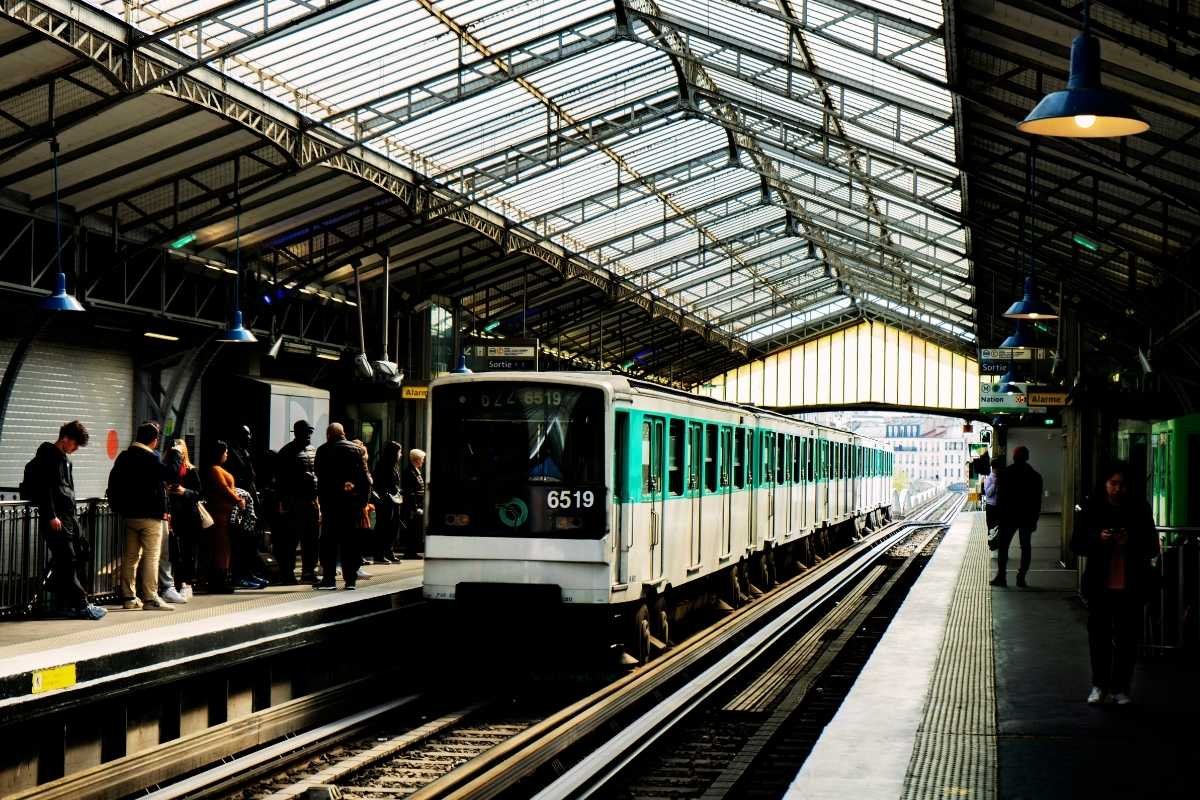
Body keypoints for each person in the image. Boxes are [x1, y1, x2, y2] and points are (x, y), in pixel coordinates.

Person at [1071, 462, 1159, 706]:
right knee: (1099, 638)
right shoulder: (1092, 509)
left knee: (1127, 639)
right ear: (1105, 484)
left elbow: (1152, 546)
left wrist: (1130, 540)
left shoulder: (1139, 509)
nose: (1118, 489)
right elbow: (1076, 544)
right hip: (1101, 585)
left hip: (1131, 586)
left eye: (1122, 485)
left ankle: (1121, 687)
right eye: (1113, 484)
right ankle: (1099, 685)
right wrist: (1098, 539)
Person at [26, 421, 106, 619]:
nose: (76, 449)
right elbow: (46, 489)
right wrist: (51, 515)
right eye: (75, 444)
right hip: (58, 518)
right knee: (67, 560)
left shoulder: (64, 460)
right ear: (65, 439)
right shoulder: (49, 456)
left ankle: (62, 594)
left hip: (68, 517)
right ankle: (80, 604)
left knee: (81, 551)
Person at [107, 421, 184, 610]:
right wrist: (175, 453)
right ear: (154, 441)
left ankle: (128, 597)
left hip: (129, 515)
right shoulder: (151, 457)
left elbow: (113, 482)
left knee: (131, 556)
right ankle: (151, 599)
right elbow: (171, 474)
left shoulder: (124, 457)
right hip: (150, 516)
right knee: (151, 555)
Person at [314, 424, 370, 590]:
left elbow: (319, 474)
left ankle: (329, 580)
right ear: (343, 433)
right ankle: (350, 580)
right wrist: (362, 503)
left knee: (329, 542)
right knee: (350, 542)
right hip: (351, 505)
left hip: (330, 504)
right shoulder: (357, 450)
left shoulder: (323, 450)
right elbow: (365, 479)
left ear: (329, 434)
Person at [276, 420, 320, 584]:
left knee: (311, 539)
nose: (308, 436)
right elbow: (280, 480)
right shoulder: (287, 452)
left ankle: (309, 572)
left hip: (311, 501)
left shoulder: (312, 450)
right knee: (291, 540)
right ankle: (288, 573)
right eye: (305, 432)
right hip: (294, 501)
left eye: (310, 432)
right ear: (297, 433)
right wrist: (284, 502)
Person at [991, 445, 1042, 588]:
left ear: (1014, 457)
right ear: (1027, 457)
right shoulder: (1035, 476)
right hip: (1026, 517)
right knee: (1025, 547)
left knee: (1003, 546)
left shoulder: (1006, 474)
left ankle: (1001, 577)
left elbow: (1000, 499)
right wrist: (1034, 520)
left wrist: (997, 517)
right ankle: (1021, 578)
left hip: (1008, 517)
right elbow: (1037, 501)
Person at [203, 440, 246, 593]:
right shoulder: (215, 470)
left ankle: (221, 579)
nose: (227, 454)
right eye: (225, 452)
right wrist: (238, 500)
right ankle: (218, 582)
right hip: (219, 514)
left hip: (225, 514)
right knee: (221, 548)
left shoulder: (217, 469)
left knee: (224, 548)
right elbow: (224, 488)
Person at [224, 425, 263, 583]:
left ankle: (248, 571)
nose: (249, 438)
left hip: (250, 499)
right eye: (246, 435)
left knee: (250, 539)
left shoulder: (244, 452)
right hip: (241, 501)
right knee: (241, 539)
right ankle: (240, 573)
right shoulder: (233, 453)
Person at [167, 439, 203, 596]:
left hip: (189, 516)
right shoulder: (167, 470)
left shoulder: (191, 471)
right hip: (173, 515)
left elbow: (199, 493)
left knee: (188, 552)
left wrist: (184, 491)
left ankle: (187, 583)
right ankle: (173, 583)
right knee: (174, 552)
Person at [371, 441, 403, 564]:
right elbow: (381, 483)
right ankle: (379, 554)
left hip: (393, 500)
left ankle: (388, 551)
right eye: (399, 452)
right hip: (386, 501)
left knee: (392, 527)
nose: (400, 455)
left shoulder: (393, 465)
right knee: (383, 527)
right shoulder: (383, 465)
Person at [401, 448, 426, 559]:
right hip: (412, 506)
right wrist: (415, 507)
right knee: (412, 529)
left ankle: (413, 550)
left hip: (417, 504)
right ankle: (410, 551)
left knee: (415, 528)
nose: (423, 461)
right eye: (422, 459)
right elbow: (410, 492)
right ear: (417, 459)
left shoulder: (415, 470)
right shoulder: (410, 472)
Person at [982, 458, 1003, 532]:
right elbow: (988, 494)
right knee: (991, 528)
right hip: (991, 507)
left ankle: (998, 543)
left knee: (998, 529)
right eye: (999, 468)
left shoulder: (1001, 478)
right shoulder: (989, 479)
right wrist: (994, 484)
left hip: (999, 506)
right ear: (995, 468)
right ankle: (991, 543)